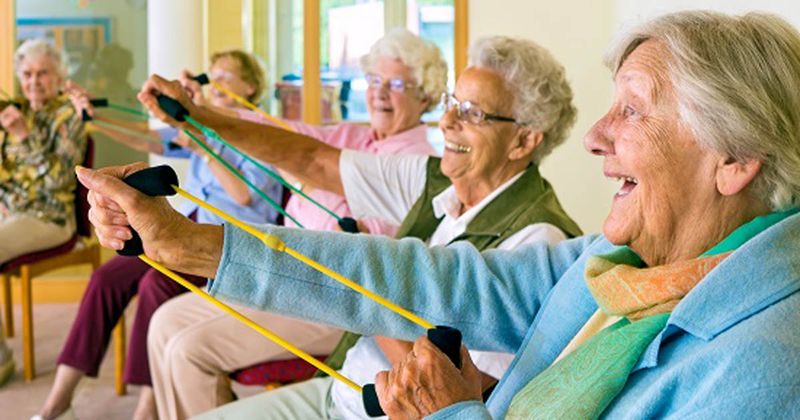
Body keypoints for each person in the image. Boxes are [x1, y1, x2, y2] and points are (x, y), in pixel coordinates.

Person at [83, 10, 800, 418]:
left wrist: (450, 409)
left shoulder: (764, 370)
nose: (595, 137)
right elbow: (427, 278)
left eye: (634, 110)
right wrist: (189, 243)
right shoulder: (625, 263)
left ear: (733, 158)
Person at [147, 29, 451, 419]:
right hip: (282, 274)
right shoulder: (351, 136)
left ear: (424, 94)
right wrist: (197, 112)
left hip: (332, 298)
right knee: (163, 323)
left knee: (187, 350)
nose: (379, 93)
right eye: (374, 80)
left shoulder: (416, 163)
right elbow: (286, 136)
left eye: (395, 84)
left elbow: (376, 259)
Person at [34, 50, 283, 420]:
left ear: (251, 85)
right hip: (190, 227)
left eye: (226, 76)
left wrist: (203, 146)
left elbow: (246, 196)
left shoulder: (260, 132)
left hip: (234, 241)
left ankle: (148, 406)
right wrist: (95, 117)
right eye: (210, 75)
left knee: (155, 282)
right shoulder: (205, 125)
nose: (213, 83)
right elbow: (143, 138)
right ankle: (59, 400)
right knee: (107, 277)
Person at [0, 39, 88, 264]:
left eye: (43, 73)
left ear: (59, 77)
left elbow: (57, 180)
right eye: (27, 74)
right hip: (8, 212)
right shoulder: (15, 110)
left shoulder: (69, 117)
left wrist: (25, 137)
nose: (34, 81)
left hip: (49, 217)